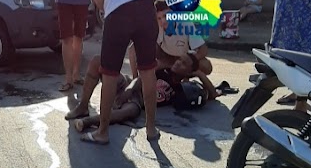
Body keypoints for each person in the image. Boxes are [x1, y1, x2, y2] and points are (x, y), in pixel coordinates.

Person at [73, 0, 159, 144]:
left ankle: (102, 132)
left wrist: (104, 14)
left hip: (120, 13)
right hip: (148, 9)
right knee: (148, 71)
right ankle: (151, 129)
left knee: (109, 73)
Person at [69, 53, 218, 134]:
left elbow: (212, 95)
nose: (178, 63)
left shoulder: (180, 90)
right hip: (128, 84)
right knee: (98, 60)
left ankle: (88, 122)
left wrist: (200, 74)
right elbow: (140, 79)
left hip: (136, 101)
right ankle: (83, 106)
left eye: (184, 64)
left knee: (132, 111)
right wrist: (128, 90)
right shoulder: (163, 69)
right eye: (180, 59)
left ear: (189, 72)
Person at [127, 0, 212, 78]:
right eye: (159, 18)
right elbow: (132, 49)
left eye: (166, 16)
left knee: (206, 66)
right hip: (167, 59)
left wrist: (190, 60)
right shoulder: (154, 26)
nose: (163, 21)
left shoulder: (185, 23)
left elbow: (203, 49)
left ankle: (186, 77)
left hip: (184, 59)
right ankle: (137, 81)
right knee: (142, 56)